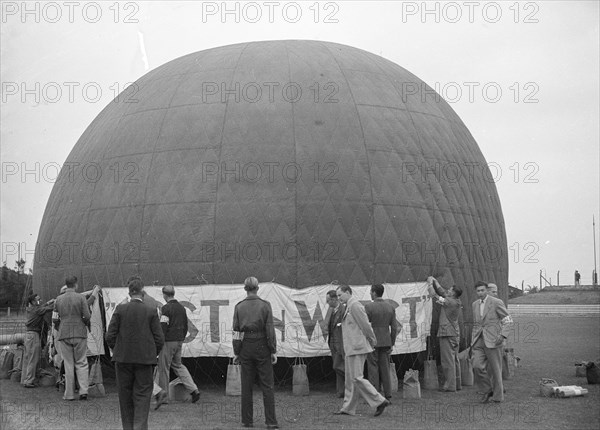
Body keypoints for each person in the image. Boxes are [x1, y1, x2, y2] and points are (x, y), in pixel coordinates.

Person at [106, 276, 164, 430]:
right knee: (143, 397)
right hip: (145, 361)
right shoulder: (151, 311)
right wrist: (152, 353)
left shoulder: (120, 309)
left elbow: (109, 336)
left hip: (123, 360)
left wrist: (118, 350)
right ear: (142, 291)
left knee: (125, 398)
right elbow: (159, 338)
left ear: (129, 292)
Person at [334, 285, 390, 417]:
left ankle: (379, 401)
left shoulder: (355, 306)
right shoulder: (348, 305)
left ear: (348, 292)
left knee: (357, 378)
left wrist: (372, 339)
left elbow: (365, 324)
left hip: (357, 347)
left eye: (340, 295)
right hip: (351, 348)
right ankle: (348, 408)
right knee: (350, 379)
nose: (338, 298)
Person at [232, 277, 279, 429]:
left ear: (245, 289)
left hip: (246, 347)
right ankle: (271, 422)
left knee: (246, 386)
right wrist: (272, 349)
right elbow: (270, 330)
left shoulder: (239, 307)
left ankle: (247, 421)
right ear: (257, 288)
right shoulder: (265, 305)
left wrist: (237, 351)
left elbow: (236, 332)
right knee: (267, 386)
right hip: (262, 346)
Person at [154, 285, 200, 409]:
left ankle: (164, 397)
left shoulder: (166, 308)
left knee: (163, 368)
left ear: (164, 295)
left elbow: (163, 326)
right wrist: (181, 338)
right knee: (178, 365)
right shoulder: (181, 308)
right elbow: (186, 325)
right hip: (179, 340)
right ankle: (193, 389)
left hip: (168, 341)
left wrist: (159, 342)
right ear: (173, 294)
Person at [471, 281, 512, 403]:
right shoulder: (474, 305)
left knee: (496, 370)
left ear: (487, 290)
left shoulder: (496, 302)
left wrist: (503, 335)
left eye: (482, 290)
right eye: (478, 291)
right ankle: (487, 390)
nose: (480, 293)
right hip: (478, 340)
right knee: (476, 366)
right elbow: (476, 324)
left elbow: (508, 320)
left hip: (494, 341)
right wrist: (473, 338)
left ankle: (498, 397)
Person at [53, 276, 91, 400]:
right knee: (81, 362)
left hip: (64, 333)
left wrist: (61, 327)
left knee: (68, 364)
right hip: (79, 332)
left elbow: (54, 319)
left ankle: (69, 394)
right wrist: (83, 323)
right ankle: (83, 391)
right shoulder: (81, 298)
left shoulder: (58, 299)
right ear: (76, 284)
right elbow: (87, 315)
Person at [364, 284, 399, 400]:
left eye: (370, 292)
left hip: (372, 342)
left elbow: (365, 325)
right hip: (386, 341)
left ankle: (375, 395)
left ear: (374, 293)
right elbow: (394, 328)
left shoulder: (368, 307)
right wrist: (392, 343)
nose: (370, 293)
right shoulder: (390, 307)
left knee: (373, 368)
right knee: (385, 368)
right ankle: (388, 394)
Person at [428, 277, 463, 392]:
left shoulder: (449, 302)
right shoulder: (455, 301)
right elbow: (442, 292)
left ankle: (450, 386)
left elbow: (434, 295)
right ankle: (457, 383)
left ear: (453, 293)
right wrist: (435, 281)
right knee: (454, 359)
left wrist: (429, 283)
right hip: (454, 333)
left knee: (447, 360)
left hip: (447, 333)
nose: (447, 290)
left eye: (450, 290)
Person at [21, 293, 55, 387]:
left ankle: (27, 379)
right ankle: (29, 381)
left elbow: (41, 307)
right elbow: (48, 309)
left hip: (29, 335)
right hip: (33, 335)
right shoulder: (37, 310)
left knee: (29, 358)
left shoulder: (31, 309)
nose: (40, 301)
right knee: (33, 359)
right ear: (33, 301)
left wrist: (48, 302)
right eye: (38, 300)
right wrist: (57, 302)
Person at [323, 289, 345, 398]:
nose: (327, 303)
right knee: (337, 367)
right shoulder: (331, 310)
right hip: (333, 343)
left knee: (338, 366)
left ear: (334, 299)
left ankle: (348, 386)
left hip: (340, 343)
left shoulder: (343, 309)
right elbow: (326, 325)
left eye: (328, 301)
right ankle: (341, 391)